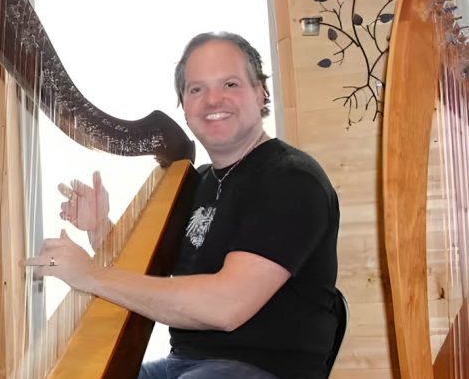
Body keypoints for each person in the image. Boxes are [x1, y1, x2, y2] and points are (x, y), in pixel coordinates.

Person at [26, 32, 340, 379]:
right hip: (185, 364)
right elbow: (151, 274)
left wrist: (89, 275)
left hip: (265, 370)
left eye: (230, 84)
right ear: (184, 104)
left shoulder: (291, 180)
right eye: (196, 89)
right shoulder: (196, 182)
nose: (212, 100)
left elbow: (226, 306)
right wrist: (99, 226)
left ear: (260, 91)